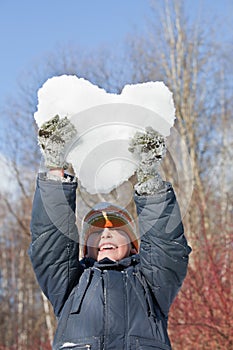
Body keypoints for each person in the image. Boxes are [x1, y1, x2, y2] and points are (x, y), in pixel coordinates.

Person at [29, 115, 191, 350]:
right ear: (85, 248)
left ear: (134, 244)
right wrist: (55, 168)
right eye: (95, 233)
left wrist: (149, 178)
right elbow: (50, 244)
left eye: (115, 229)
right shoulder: (70, 285)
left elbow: (166, 247)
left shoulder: (151, 284)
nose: (105, 234)